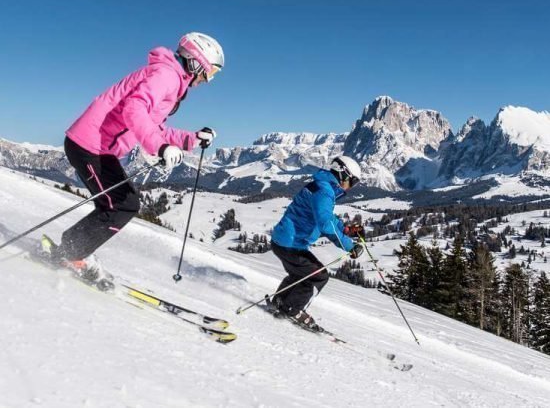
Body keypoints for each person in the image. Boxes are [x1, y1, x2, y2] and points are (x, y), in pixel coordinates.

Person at [43, 32, 224, 287]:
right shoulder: (166, 76)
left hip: (98, 146)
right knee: (122, 204)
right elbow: (134, 110)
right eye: (210, 72)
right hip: (90, 145)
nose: (208, 80)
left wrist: (191, 139)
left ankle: (72, 250)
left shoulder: (169, 77)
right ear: (196, 62)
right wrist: (159, 147)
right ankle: (70, 254)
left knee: (120, 203)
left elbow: (153, 125)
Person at [269, 156, 364, 329]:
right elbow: (325, 223)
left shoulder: (323, 186)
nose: (351, 187)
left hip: (286, 241)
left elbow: (327, 217)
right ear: (344, 175)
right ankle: (293, 309)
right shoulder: (324, 191)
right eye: (353, 181)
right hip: (290, 244)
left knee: (300, 275)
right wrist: (349, 245)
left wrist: (344, 229)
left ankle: (280, 301)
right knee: (318, 276)